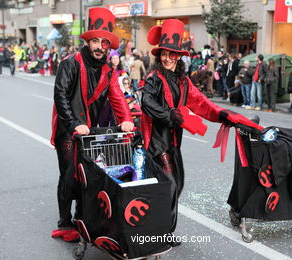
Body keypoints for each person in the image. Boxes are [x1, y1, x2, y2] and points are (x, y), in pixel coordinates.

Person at [142, 19, 258, 247]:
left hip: (173, 142)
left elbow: (202, 104)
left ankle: (162, 231)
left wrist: (223, 115)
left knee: (178, 184)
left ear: (179, 57)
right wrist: (171, 115)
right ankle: (159, 234)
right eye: (164, 54)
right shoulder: (154, 79)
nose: (167, 58)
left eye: (172, 55)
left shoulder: (184, 81)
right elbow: (146, 102)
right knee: (169, 185)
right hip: (156, 142)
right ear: (159, 55)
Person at [50, 7, 134, 242]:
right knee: (68, 175)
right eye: (95, 41)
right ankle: (65, 222)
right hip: (68, 129)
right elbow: (61, 97)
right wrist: (75, 124)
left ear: (109, 46)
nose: (100, 47)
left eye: (104, 43)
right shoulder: (71, 63)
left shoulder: (109, 69)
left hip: (91, 131)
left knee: (88, 174)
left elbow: (117, 96)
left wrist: (126, 119)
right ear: (88, 41)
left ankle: (81, 218)